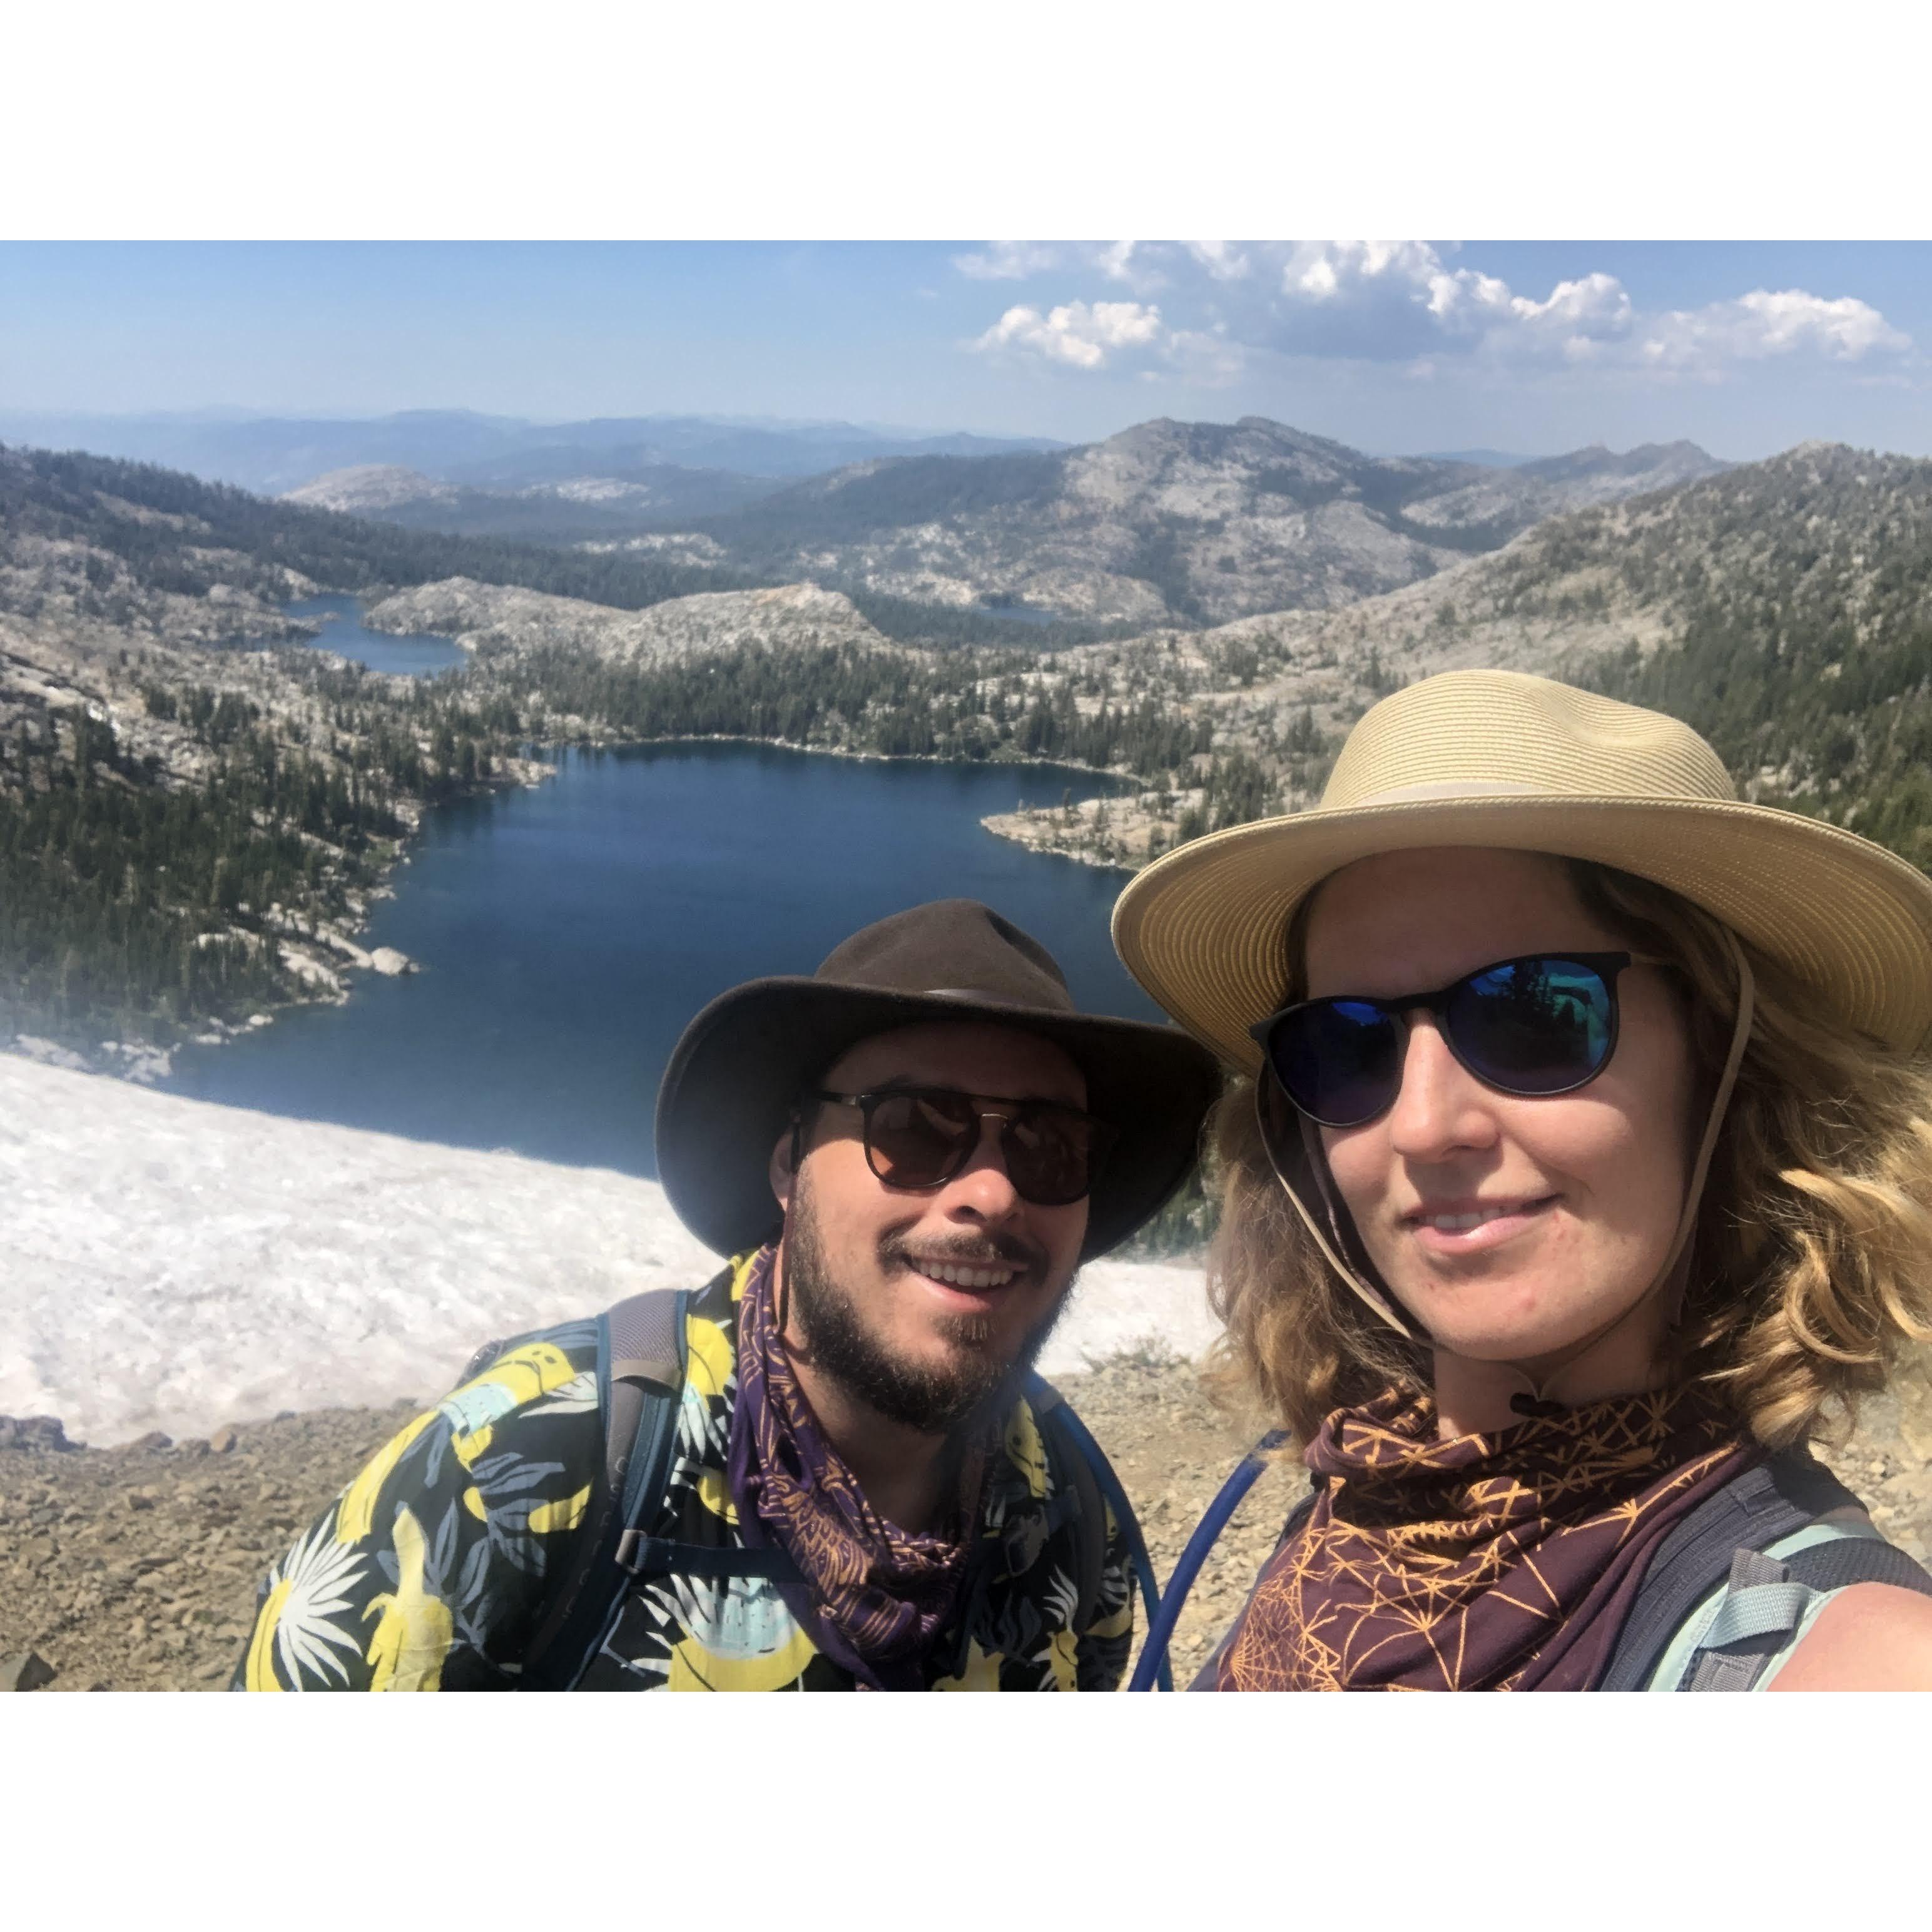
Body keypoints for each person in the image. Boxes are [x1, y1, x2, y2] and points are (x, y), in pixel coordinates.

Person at [1112, 668, 1932, 1692]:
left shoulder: (1841, 1664)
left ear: (1728, 1061)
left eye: (1534, 1015)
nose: (1422, 1126)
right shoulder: (1369, 1474)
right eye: (1348, 1045)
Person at [233, 898, 1219, 1692]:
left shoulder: (1069, 1512)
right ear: (789, 1168)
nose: (995, 1192)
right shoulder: (522, 1468)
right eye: (918, 1128)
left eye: (1051, 1147)